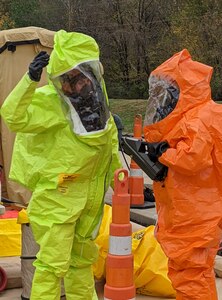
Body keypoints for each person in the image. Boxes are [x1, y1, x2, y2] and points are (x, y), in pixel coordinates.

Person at [1, 29, 121, 300]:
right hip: (57, 203)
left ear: (92, 73)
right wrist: (30, 80)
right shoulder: (52, 103)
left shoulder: (101, 107)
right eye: (68, 80)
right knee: (51, 267)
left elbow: (109, 150)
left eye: (79, 77)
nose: (75, 86)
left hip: (89, 204)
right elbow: (13, 116)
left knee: (81, 264)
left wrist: (121, 184)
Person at [143, 49, 222, 300]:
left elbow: (191, 158)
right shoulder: (196, 115)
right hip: (191, 208)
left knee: (192, 276)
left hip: (197, 212)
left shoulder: (199, 118)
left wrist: (163, 152)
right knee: (187, 273)